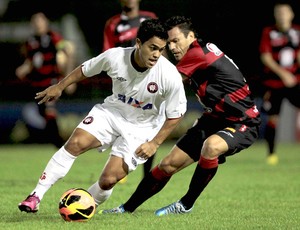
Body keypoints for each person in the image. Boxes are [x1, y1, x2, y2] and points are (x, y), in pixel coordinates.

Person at [18, 18, 187, 213]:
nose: (157, 54)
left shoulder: (168, 74)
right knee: (75, 143)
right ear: (139, 43)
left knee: (108, 181)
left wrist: (155, 143)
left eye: (161, 49)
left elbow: (177, 113)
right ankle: (35, 196)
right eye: (152, 48)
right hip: (112, 113)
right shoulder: (115, 57)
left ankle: (83, 207)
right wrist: (60, 86)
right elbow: (85, 70)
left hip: (142, 127)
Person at [100, 15, 261, 216]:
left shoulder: (197, 54)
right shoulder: (199, 52)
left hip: (242, 121)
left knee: (211, 146)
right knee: (167, 165)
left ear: (191, 36)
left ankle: (186, 204)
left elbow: (166, 80)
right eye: (169, 43)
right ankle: (126, 209)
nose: (173, 47)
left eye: (176, 41)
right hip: (213, 119)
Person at [102, 0, 158, 178]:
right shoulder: (113, 23)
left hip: (149, 79)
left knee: (150, 124)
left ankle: (146, 174)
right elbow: (107, 53)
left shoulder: (149, 18)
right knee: (121, 123)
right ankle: (116, 165)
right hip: (125, 83)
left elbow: (160, 45)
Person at [15, 12, 76, 148]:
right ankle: (55, 140)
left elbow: (68, 52)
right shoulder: (30, 42)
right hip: (37, 84)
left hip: (52, 81)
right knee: (44, 113)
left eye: (40, 21)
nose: (38, 24)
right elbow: (31, 61)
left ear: (46, 23)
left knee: (49, 109)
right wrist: (23, 68)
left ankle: (59, 144)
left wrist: (70, 79)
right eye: (35, 21)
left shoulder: (54, 38)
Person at [259, 1, 300, 165]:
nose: (282, 15)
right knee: (273, 118)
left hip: (295, 82)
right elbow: (265, 57)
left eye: (285, 12)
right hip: (274, 84)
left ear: (291, 15)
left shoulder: (297, 32)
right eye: (279, 13)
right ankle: (271, 154)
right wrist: (283, 74)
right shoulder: (269, 32)